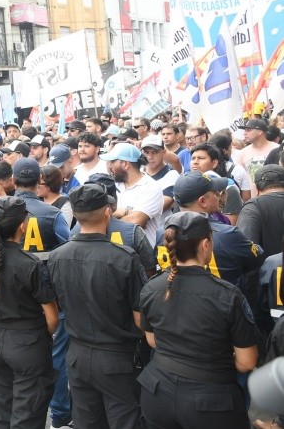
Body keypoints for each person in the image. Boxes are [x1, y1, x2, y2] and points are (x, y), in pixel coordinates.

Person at [138, 211, 258, 429]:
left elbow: (152, 340)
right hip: (211, 401)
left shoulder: (151, 288)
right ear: (205, 244)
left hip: (156, 391)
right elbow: (246, 361)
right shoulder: (228, 295)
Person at [47, 183, 146, 429]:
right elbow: (140, 319)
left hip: (78, 355)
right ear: (107, 212)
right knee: (125, 421)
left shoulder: (57, 256)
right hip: (117, 358)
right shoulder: (124, 258)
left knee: (87, 422)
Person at [0, 196, 59, 429]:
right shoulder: (29, 264)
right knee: (28, 415)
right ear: (23, 225)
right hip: (27, 342)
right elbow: (52, 318)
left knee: (2, 412)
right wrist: (41, 336)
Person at [101, 142, 164, 247]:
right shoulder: (112, 184)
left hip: (141, 254)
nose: (109, 165)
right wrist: (126, 212)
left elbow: (135, 221)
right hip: (114, 252)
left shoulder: (151, 187)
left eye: (112, 161)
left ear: (125, 164)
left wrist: (109, 216)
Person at [12, 158, 69, 255]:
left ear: (13, 180)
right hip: (44, 269)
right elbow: (67, 248)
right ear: (39, 178)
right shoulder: (53, 214)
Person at [239, 118, 280, 193]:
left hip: (275, 197)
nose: (245, 133)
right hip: (252, 200)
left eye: (248, 130)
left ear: (260, 131)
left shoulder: (278, 149)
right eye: (245, 130)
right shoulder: (242, 153)